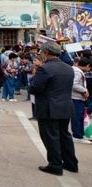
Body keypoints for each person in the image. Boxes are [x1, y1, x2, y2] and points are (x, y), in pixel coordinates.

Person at [31, 41, 78, 176]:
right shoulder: (68, 67)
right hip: (65, 106)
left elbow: (36, 88)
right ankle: (71, 163)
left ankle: (55, 165)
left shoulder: (45, 68)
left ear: (45, 53)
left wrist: (34, 77)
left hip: (49, 108)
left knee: (50, 136)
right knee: (64, 136)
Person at [71, 57, 91, 144]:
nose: (89, 70)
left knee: (79, 117)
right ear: (87, 66)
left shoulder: (75, 70)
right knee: (77, 117)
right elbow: (73, 84)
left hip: (77, 98)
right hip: (76, 98)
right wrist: (84, 90)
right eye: (90, 68)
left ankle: (80, 134)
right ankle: (77, 136)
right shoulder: (77, 72)